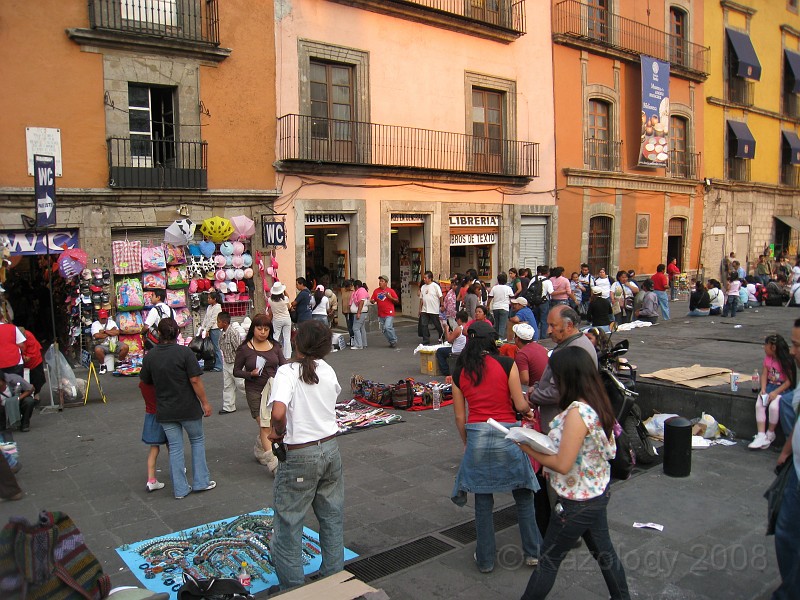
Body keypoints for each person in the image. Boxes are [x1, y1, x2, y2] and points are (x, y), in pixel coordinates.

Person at [519, 346, 630, 600]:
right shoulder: (596, 401)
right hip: (595, 493)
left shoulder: (578, 414)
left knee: (547, 562)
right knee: (605, 553)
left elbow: (563, 463)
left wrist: (527, 446)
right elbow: (583, 453)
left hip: (576, 502)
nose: (551, 380)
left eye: (554, 375)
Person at [450, 320, 542, 573]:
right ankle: (533, 552)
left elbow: (460, 417)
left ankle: (487, 559)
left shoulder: (460, 370)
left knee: (483, 500)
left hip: (478, 434)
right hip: (507, 433)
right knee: (523, 495)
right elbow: (519, 403)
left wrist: (467, 441)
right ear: (492, 340)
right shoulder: (506, 363)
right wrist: (528, 412)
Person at [268, 320, 344, 591]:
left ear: (298, 342)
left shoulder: (287, 372)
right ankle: (335, 579)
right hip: (330, 449)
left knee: (289, 525)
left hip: (301, 453)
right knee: (331, 517)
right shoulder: (328, 370)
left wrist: (279, 431)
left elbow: (278, 413)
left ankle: (294, 590)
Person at [139, 318, 215, 499]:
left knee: (175, 447)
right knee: (196, 441)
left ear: (158, 333)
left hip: (165, 409)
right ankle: (201, 481)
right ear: (178, 333)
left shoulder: (151, 356)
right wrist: (205, 402)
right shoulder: (185, 353)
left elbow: (145, 382)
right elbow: (195, 380)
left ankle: (180, 489)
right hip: (188, 406)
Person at [528, 306, 597, 433]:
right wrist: (537, 386)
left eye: (553, 325)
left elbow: (559, 392)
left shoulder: (576, 349)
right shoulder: (567, 344)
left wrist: (534, 395)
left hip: (563, 427)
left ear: (569, 326)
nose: (548, 330)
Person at [234, 313, 287, 473]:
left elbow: (283, 366)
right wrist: (250, 374)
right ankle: (274, 463)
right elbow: (236, 371)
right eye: (259, 328)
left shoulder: (275, 346)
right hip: (255, 391)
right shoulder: (245, 349)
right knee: (265, 425)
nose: (262, 332)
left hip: (273, 390)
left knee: (272, 424)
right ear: (253, 329)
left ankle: (260, 447)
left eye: (266, 329)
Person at [773, 317, 800, 599]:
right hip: (794, 472)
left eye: (797, 345)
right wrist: (786, 450)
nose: (792, 351)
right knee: (785, 535)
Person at [749, 335, 796, 450]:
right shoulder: (768, 359)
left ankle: (770, 433)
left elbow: (789, 381)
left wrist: (776, 393)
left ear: (773, 347)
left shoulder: (786, 360)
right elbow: (765, 374)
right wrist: (763, 389)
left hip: (782, 389)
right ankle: (761, 434)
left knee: (774, 406)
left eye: (766, 345)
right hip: (770, 386)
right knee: (759, 403)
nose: (764, 347)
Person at [139, 380, 167, 492]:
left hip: (150, 416)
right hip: (164, 414)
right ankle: (178, 469)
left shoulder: (143, 384)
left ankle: (151, 480)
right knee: (173, 445)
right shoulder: (159, 383)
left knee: (154, 448)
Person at [218, 311, 245, 415]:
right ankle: (228, 406)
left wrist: (241, 364)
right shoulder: (222, 333)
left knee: (241, 384)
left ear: (224, 322)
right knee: (227, 385)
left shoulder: (233, 333)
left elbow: (239, 349)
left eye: (219, 321)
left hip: (235, 363)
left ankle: (257, 396)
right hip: (227, 362)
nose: (217, 323)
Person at [91, 309, 129, 374]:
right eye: (102, 318)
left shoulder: (111, 322)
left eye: (105, 318)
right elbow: (97, 336)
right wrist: (111, 331)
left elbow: (117, 332)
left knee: (125, 347)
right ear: (99, 318)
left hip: (114, 343)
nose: (104, 320)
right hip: (103, 345)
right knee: (97, 350)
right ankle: (103, 365)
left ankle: (119, 362)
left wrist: (104, 332)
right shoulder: (95, 324)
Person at [513, 323, 548, 388]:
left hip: (535, 390)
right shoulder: (541, 347)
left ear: (517, 338)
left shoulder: (522, 354)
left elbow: (525, 380)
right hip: (546, 386)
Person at [436, 310, 468, 377]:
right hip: (464, 349)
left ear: (459, 319)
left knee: (439, 351)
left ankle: (446, 371)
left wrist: (446, 330)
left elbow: (449, 340)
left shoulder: (459, 329)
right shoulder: (469, 327)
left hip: (456, 350)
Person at [370, 275, 399, 348]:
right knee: (384, 330)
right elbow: (373, 300)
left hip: (389, 312)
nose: (380, 282)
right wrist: (372, 301)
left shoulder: (390, 291)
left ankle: (394, 339)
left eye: (382, 281)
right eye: (380, 281)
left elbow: (397, 300)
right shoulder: (376, 291)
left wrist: (390, 297)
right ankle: (391, 341)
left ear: (386, 283)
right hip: (381, 313)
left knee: (387, 327)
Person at [19, 327, 45, 403]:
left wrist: (25, 356)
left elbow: (32, 352)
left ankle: (36, 395)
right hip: (22, 362)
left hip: (34, 360)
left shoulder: (29, 336)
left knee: (37, 378)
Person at [269, 281, 293, 360]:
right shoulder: (285, 299)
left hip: (277, 320)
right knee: (287, 338)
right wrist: (284, 290)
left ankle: (274, 353)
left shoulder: (270, 300)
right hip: (286, 319)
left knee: (276, 337)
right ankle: (287, 356)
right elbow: (288, 301)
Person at [418, 271, 444, 345]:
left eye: (425, 278)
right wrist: (420, 309)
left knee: (437, 324)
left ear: (430, 278)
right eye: (424, 278)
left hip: (433, 309)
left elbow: (441, 296)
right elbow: (421, 299)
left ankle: (442, 335)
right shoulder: (423, 287)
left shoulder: (435, 286)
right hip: (425, 309)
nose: (424, 279)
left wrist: (442, 305)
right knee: (424, 324)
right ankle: (426, 339)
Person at [200, 292, 223, 372]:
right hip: (209, 329)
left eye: (210, 298)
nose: (208, 300)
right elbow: (206, 318)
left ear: (214, 299)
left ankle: (219, 366)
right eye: (208, 298)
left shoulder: (217, 307)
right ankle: (211, 364)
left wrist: (207, 329)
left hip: (215, 329)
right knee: (210, 348)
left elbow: (213, 320)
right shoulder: (209, 307)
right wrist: (203, 328)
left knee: (216, 348)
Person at [488, 272, 513, 341]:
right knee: (503, 324)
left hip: (495, 307)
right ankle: (500, 338)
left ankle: (495, 337)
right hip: (504, 307)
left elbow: (490, 297)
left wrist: (487, 305)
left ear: (498, 279)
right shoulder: (508, 288)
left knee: (497, 323)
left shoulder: (494, 288)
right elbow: (512, 297)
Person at [350, 280, 370, 350]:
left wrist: (358, 313)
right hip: (363, 312)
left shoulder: (360, 291)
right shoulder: (363, 291)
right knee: (362, 328)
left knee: (355, 328)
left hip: (360, 312)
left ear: (356, 286)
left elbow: (361, 302)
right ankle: (364, 343)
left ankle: (359, 345)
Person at [341, 280, 356, 346]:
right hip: (346, 311)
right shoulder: (343, 290)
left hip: (352, 311)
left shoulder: (354, 291)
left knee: (352, 325)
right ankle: (351, 338)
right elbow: (342, 300)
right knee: (349, 326)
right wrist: (342, 309)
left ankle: (353, 339)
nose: (347, 288)